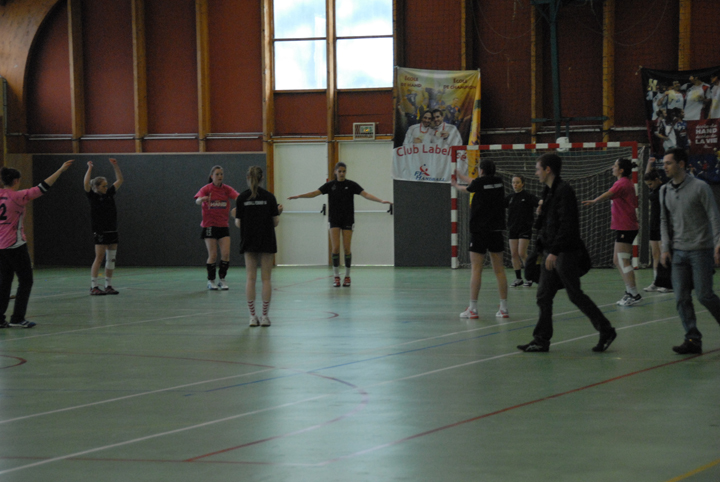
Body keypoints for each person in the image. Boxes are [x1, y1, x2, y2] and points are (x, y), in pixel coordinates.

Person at [517, 153, 617, 352]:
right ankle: (541, 339)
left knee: (575, 294)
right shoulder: (548, 191)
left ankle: (606, 330)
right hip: (549, 251)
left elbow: (568, 225)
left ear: (548, 170)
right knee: (543, 295)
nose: (536, 173)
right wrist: (540, 216)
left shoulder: (564, 191)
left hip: (565, 252)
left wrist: (554, 251)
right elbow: (547, 223)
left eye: (538, 169)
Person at [288, 162, 391, 287]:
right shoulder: (330, 185)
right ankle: (336, 276)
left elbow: (366, 194)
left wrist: (381, 201)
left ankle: (347, 276)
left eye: (344, 171)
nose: (342, 173)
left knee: (347, 248)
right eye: (340, 171)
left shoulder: (351, 185)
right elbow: (314, 193)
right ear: (335, 172)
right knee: (335, 248)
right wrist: (299, 196)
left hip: (347, 219)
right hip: (334, 220)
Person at [660, 147, 720, 354]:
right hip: (678, 252)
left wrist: (718, 242)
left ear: (681, 164)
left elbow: (713, 215)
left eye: (668, 163)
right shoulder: (665, 190)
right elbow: (664, 220)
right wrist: (665, 248)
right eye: (663, 163)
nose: (664, 167)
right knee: (681, 298)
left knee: (704, 295)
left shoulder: (700, 187)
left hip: (701, 250)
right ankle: (692, 339)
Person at [0, 160, 74, 329]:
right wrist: (60, 170)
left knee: (4, 281)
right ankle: (17, 318)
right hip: (15, 244)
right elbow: (42, 187)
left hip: (1, 246)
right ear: (16, 181)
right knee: (26, 280)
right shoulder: (18, 197)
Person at [451, 159, 509, 319]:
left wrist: (456, 184)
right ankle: (504, 309)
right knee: (499, 270)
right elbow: (476, 182)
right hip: (496, 231)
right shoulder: (499, 182)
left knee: (476, 269)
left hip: (479, 231)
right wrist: (462, 176)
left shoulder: (479, 183)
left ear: (481, 170)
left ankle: (473, 309)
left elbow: (468, 188)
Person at [583, 158, 641, 306]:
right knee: (617, 260)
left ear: (621, 170)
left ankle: (633, 294)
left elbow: (609, 193)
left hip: (626, 227)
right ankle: (629, 291)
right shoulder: (625, 182)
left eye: (615, 166)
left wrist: (595, 201)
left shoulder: (622, 183)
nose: (612, 168)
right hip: (624, 226)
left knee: (623, 260)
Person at [232, 166, 282, 327]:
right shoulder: (270, 197)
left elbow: (239, 223)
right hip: (267, 239)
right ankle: (265, 316)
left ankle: (252, 317)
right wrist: (278, 213)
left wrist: (235, 217)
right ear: (262, 179)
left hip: (249, 240)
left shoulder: (241, 198)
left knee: (250, 278)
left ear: (248, 178)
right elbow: (275, 222)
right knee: (266, 279)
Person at [195, 165, 239, 290]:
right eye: (217, 174)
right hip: (210, 225)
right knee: (213, 255)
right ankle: (211, 280)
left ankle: (222, 279)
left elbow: (238, 197)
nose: (220, 176)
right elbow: (197, 200)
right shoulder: (207, 189)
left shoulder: (226, 189)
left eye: (221, 174)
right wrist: (201, 200)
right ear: (212, 176)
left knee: (225, 254)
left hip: (223, 225)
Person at [84, 158, 123, 295]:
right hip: (100, 231)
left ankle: (108, 285)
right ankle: (94, 286)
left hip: (112, 230)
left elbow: (120, 180)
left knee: (111, 258)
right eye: (103, 186)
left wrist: (115, 166)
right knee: (99, 257)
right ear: (96, 187)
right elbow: (86, 183)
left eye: (107, 186)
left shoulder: (109, 194)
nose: (106, 188)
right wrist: (90, 168)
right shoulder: (93, 196)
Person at [643, 158, 671, 293]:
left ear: (656, 180)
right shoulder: (653, 188)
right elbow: (647, 175)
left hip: (663, 225)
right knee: (655, 254)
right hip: (653, 224)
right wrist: (649, 163)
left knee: (664, 255)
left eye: (650, 184)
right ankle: (656, 281)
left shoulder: (664, 188)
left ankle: (668, 283)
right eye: (647, 184)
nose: (649, 186)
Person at [505, 174, 538, 288]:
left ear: (522, 184)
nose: (515, 184)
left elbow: (539, 202)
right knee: (514, 254)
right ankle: (518, 278)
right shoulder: (510, 197)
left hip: (525, 228)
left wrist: (541, 205)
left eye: (517, 182)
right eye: (513, 182)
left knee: (521, 253)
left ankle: (530, 277)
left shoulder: (528, 196)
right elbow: (498, 205)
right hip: (513, 228)